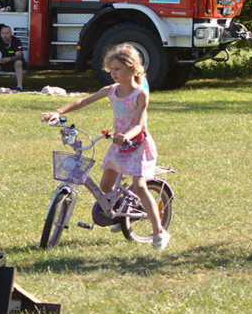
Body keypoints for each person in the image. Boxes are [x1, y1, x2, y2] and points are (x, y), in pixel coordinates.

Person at [41, 44, 172, 250]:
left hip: (138, 145)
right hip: (118, 146)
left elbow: (139, 124)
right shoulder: (110, 91)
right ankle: (123, 214)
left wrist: (125, 136)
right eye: (111, 69)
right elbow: (83, 101)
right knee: (105, 187)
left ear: (132, 69)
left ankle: (159, 232)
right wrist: (57, 111)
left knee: (139, 185)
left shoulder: (140, 95)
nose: (113, 73)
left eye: (118, 69)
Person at [0, 24, 25, 91]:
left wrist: (8, 59)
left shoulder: (16, 41)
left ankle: (19, 86)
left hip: (14, 64)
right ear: (0, 34)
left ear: (11, 33)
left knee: (18, 63)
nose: (5, 35)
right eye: (3, 33)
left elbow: (19, 56)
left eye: (7, 33)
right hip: (3, 63)